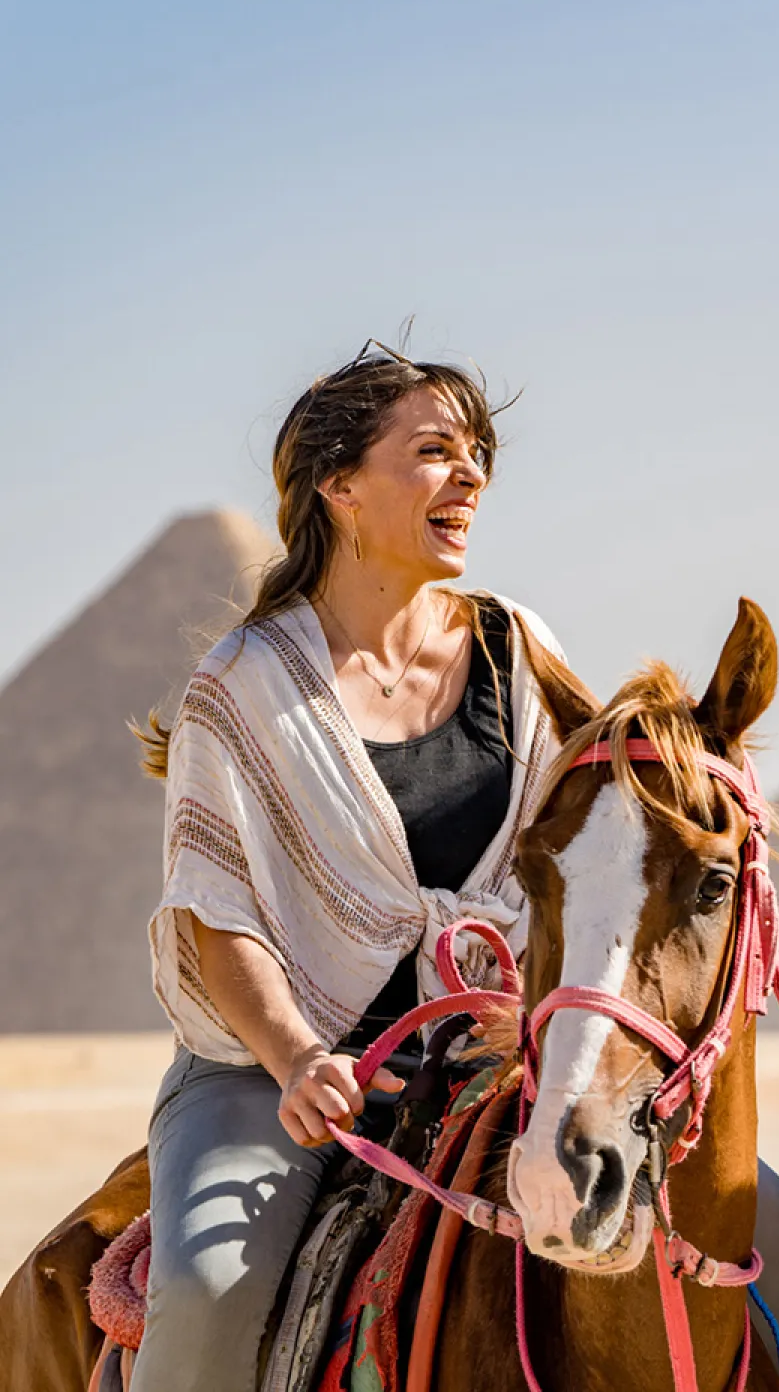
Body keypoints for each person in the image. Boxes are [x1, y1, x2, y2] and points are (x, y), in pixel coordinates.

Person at [131, 342, 566, 1392]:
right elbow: (212, 912)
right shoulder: (238, 686)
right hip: (276, 1076)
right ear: (338, 485)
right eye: (433, 452)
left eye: (478, 457)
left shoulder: (521, 650)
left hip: (485, 1064)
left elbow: (596, 831)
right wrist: (293, 1058)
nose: (470, 478)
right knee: (208, 1287)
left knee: (756, 1226)